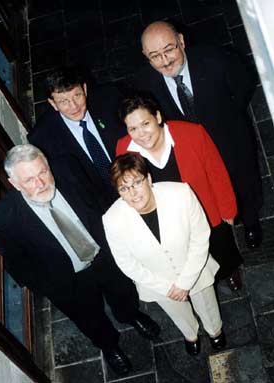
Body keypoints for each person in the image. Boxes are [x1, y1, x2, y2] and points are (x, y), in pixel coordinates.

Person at [0, 144, 160, 376]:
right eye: (29, 180)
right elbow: (19, 267)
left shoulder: (68, 167)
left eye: (43, 172)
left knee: (122, 290)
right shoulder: (4, 220)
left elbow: (99, 198)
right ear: (14, 183)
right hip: (68, 280)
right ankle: (109, 345)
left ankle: (131, 314)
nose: (41, 183)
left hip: (103, 255)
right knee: (90, 318)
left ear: (48, 165)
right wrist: (52, 286)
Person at [134, 20, 262, 249]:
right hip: (189, 150)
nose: (165, 61)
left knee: (242, 180)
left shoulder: (217, 59)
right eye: (155, 56)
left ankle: (250, 221)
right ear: (146, 55)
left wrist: (229, 115)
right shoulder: (144, 84)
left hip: (229, 139)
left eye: (169, 49)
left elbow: (243, 85)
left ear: (181, 41)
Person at [116, 92, 243, 291]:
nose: (141, 134)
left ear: (157, 117)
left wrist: (227, 209)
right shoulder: (124, 149)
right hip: (167, 215)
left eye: (145, 124)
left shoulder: (192, 134)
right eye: (133, 129)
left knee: (219, 245)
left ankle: (228, 271)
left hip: (204, 207)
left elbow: (217, 172)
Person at [103, 153, 226, 356]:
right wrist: (167, 288)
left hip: (194, 268)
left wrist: (185, 282)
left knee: (206, 303)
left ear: (149, 179)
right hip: (159, 283)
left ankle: (215, 330)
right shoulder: (111, 220)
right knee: (177, 312)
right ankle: (191, 334)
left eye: (137, 182)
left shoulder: (181, 193)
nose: (133, 193)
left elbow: (200, 236)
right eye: (124, 188)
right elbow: (127, 263)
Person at [28, 65, 126, 212]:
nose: (73, 106)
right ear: (53, 103)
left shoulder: (111, 99)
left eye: (77, 95)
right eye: (64, 101)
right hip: (100, 207)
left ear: (85, 89)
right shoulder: (42, 139)